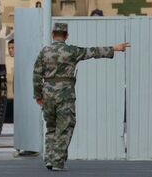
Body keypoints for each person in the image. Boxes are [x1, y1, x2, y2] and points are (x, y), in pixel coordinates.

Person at [33, 23, 129, 171]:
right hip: (65, 95)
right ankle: (58, 162)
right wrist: (114, 48)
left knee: (51, 127)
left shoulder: (44, 52)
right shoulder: (72, 51)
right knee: (64, 127)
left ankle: (50, 159)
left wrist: (38, 95)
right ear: (66, 35)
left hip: (48, 94)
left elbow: (37, 74)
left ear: (53, 35)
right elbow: (92, 52)